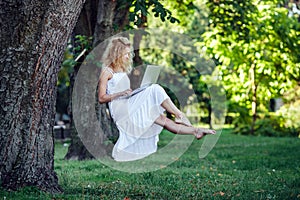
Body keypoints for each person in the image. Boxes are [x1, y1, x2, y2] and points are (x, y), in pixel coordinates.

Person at [98, 36, 216, 162]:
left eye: (129, 53)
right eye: (125, 54)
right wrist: (120, 94)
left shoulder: (121, 70)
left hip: (128, 103)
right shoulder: (106, 72)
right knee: (155, 88)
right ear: (116, 53)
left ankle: (196, 131)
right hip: (120, 110)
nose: (128, 57)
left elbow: (124, 92)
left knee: (162, 119)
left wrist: (134, 92)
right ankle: (179, 114)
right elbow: (101, 98)